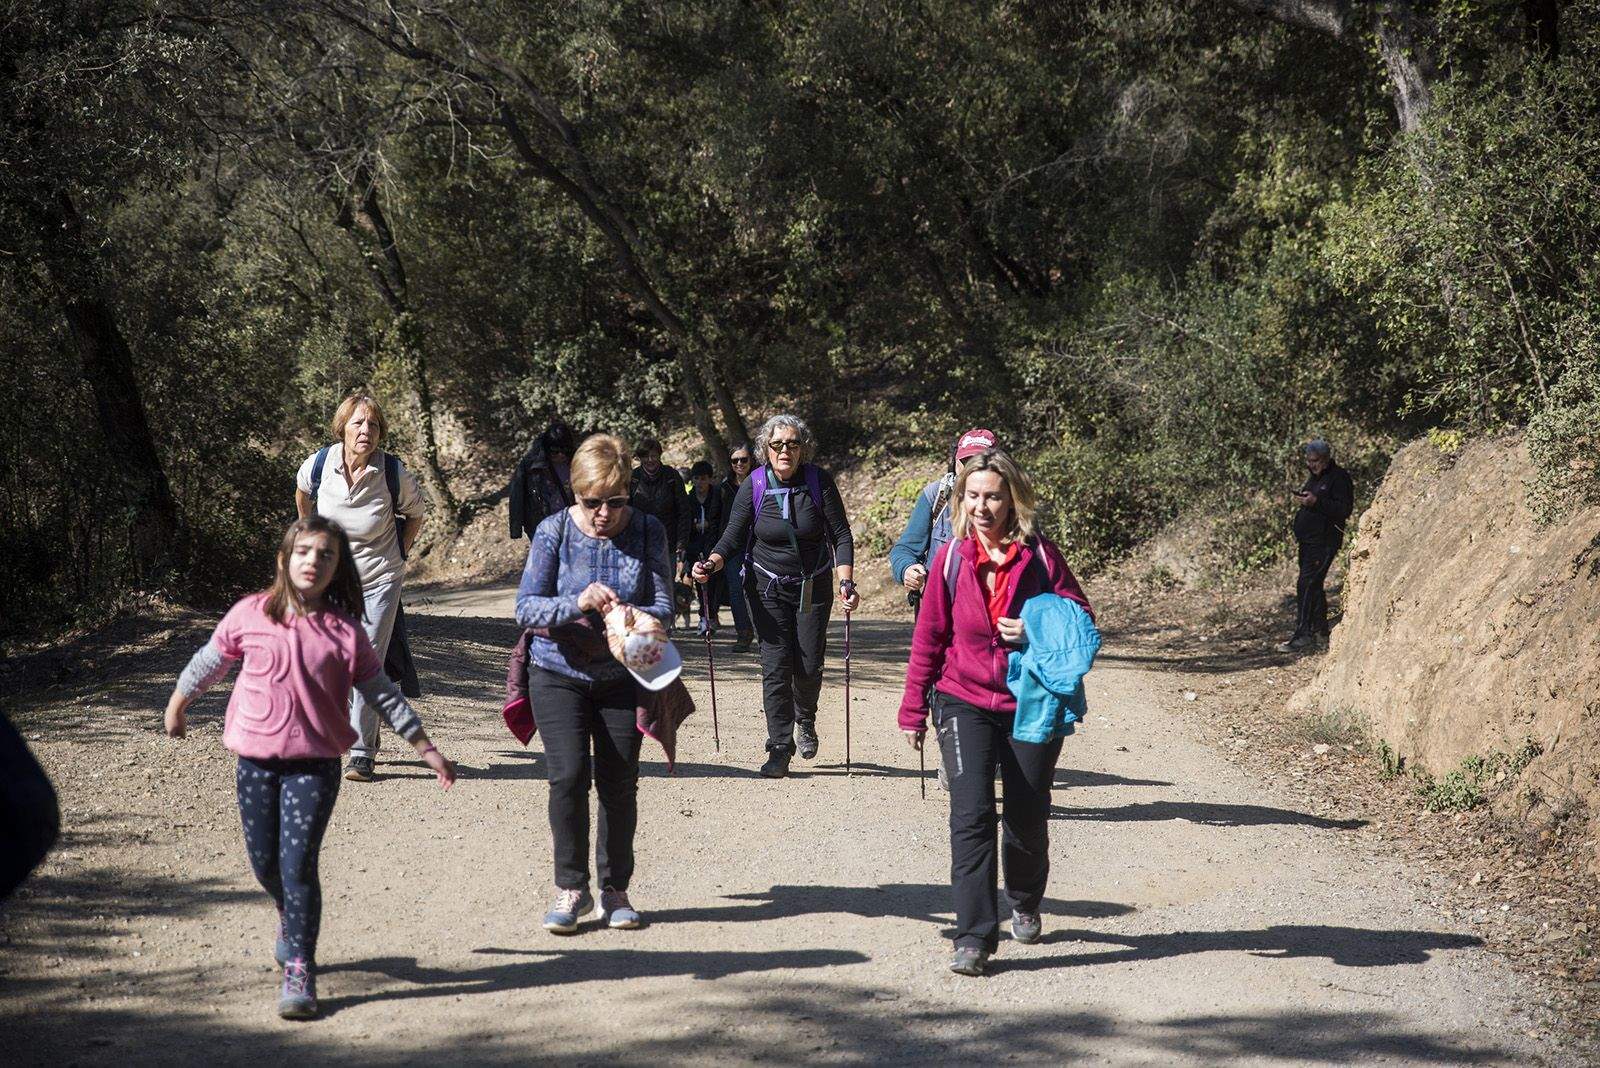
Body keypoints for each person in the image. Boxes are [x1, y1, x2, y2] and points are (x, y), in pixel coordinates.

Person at [163, 516, 456, 1019]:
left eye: (326, 555)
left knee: (298, 864)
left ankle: (300, 966)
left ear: (337, 568)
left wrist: (424, 746)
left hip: (315, 765)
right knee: (265, 864)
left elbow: (382, 693)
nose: (313, 561)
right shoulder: (250, 613)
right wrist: (179, 702)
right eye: (303, 551)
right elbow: (211, 660)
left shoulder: (345, 632)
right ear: (284, 559)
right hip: (255, 761)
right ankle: (288, 912)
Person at [897, 448, 1092, 977]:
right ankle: (973, 936)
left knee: (1027, 817)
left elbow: (1081, 617)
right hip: (961, 698)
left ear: (1012, 501)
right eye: (973, 496)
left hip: (1031, 702)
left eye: (993, 497)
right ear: (961, 499)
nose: (982, 507)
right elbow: (930, 636)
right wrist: (913, 708)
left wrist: (1033, 629)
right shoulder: (951, 558)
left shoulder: (1040, 556)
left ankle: (1024, 899)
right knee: (971, 816)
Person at [516, 434, 674, 934]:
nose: (604, 513)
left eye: (616, 501)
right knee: (566, 777)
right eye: (592, 502)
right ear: (576, 493)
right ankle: (571, 888)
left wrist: (630, 616)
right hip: (555, 672)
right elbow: (526, 608)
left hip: (623, 676)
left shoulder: (647, 530)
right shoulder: (554, 531)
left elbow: (666, 607)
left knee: (619, 781)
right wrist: (577, 603)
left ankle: (614, 889)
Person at [693, 414, 858, 778]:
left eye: (793, 444)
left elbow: (841, 535)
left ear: (803, 448)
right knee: (776, 665)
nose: (786, 450)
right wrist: (711, 563)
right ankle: (779, 747)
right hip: (766, 587)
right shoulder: (754, 484)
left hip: (812, 585)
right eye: (778, 444)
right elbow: (732, 536)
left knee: (809, 663)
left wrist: (846, 581)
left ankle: (805, 718)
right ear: (765, 449)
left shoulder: (818, 481)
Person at [295, 392, 427, 783]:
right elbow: (303, 494)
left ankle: (361, 753)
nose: (366, 430)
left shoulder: (392, 471)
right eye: (358, 423)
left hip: (380, 578)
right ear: (343, 428)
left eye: (373, 424)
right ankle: (364, 729)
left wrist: (401, 553)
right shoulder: (319, 464)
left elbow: (416, 513)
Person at [891, 428, 998, 608]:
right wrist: (907, 569)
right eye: (966, 462)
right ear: (955, 463)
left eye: (981, 463)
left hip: (991, 611)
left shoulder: (1013, 504)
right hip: (941, 609)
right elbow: (905, 549)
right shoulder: (936, 496)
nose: (973, 470)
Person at [1281, 438, 1354, 652]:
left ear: (1326, 458)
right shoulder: (1315, 478)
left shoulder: (1339, 478)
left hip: (1324, 541)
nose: (1311, 465)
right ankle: (1320, 630)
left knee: (1307, 583)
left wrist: (1316, 502)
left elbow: (1344, 510)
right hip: (1308, 541)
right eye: (1309, 461)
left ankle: (1304, 634)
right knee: (1314, 585)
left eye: (1315, 461)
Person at [716, 443, 756, 651]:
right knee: (736, 590)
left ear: (751, 460)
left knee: (760, 589)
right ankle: (744, 633)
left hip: (758, 544)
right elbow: (718, 519)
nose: (739, 464)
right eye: (735, 460)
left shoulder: (761, 482)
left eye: (743, 459)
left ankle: (766, 636)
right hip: (732, 547)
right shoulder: (724, 488)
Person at [509, 420, 577, 539]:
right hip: (542, 525)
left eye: (565, 451)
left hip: (571, 522)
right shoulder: (530, 465)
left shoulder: (578, 462)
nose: (560, 455)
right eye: (555, 451)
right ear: (547, 449)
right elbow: (517, 496)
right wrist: (516, 529)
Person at [683, 460, 725, 636]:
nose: (700, 482)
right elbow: (684, 522)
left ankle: (712, 615)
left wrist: (710, 525)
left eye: (703, 478)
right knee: (700, 583)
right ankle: (704, 618)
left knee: (716, 583)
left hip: (714, 546)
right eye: (696, 479)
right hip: (694, 547)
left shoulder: (717, 497)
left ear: (710, 479)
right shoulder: (689, 499)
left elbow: (722, 521)